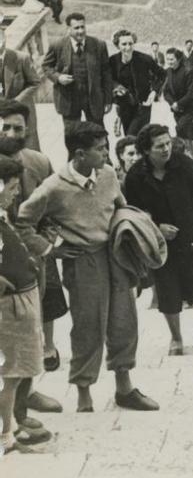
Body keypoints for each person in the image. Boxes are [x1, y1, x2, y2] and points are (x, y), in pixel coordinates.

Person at [16, 121, 158, 413]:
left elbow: (121, 207)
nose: (106, 153)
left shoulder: (107, 175)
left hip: (116, 257)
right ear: (79, 154)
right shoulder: (53, 187)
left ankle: (124, 388)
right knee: (88, 326)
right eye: (100, 149)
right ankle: (84, 393)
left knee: (124, 321)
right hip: (83, 263)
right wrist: (50, 250)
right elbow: (23, 222)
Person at [123, 124, 193, 355]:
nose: (167, 149)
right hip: (158, 242)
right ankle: (176, 338)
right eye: (160, 146)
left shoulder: (186, 166)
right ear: (146, 150)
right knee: (166, 287)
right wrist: (157, 229)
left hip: (192, 235)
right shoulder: (136, 176)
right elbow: (132, 214)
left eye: (168, 143)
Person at [0, 104, 64, 445]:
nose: (11, 134)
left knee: (30, 333)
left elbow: (50, 209)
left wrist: (48, 241)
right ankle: (11, 421)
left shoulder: (38, 163)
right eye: (5, 127)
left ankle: (24, 401)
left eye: (18, 128)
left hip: (31, 265)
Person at [0, 157, 43, 454]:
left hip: (22, 301)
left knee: (18, 372)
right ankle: (6, 435)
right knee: (11, 375)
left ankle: (12, 427)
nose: (16, 193)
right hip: (11, 307)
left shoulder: (2, 214)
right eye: (12, 187)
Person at [42, 13, 114, 128]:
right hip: (69, 99)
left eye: (82, 27)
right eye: (76, 28)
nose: (80, 31)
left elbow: (106, 73)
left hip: (93, 98)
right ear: (68, 29)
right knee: (72, 135)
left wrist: (108, 100)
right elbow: (46, 66)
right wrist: (58, 77)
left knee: (98, 133)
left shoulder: (98, 45)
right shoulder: (57, 45)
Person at [109, 30, 166, 136]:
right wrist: (117, 87)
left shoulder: (144, 59)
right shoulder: (112, 61)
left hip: (143, 104)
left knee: (135, 135)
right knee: (129, 136)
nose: (128, 47)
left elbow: (162, 74)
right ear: (117, 46)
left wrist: (154, 91)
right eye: (124, 44)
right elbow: (108, 79)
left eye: (130, 43)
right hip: (124, 105)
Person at [0, 29, 42, 151]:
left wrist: (16, 102)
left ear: (4, 42)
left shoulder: (21, 58)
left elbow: (35, 83)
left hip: (22, 113)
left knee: (29, 150)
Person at [162, 48, 193, 156]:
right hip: (175, 107)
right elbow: (165, 92)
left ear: (179, 59)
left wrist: (178, 104)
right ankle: (190, 155)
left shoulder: (188, 71)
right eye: (167, 59)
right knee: (186, 129)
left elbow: (191, 92)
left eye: (172, 59)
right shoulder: (167, 72)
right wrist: (172, 103)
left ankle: (184, 153)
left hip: (190, 106)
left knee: (180, 127)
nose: (169, 62)